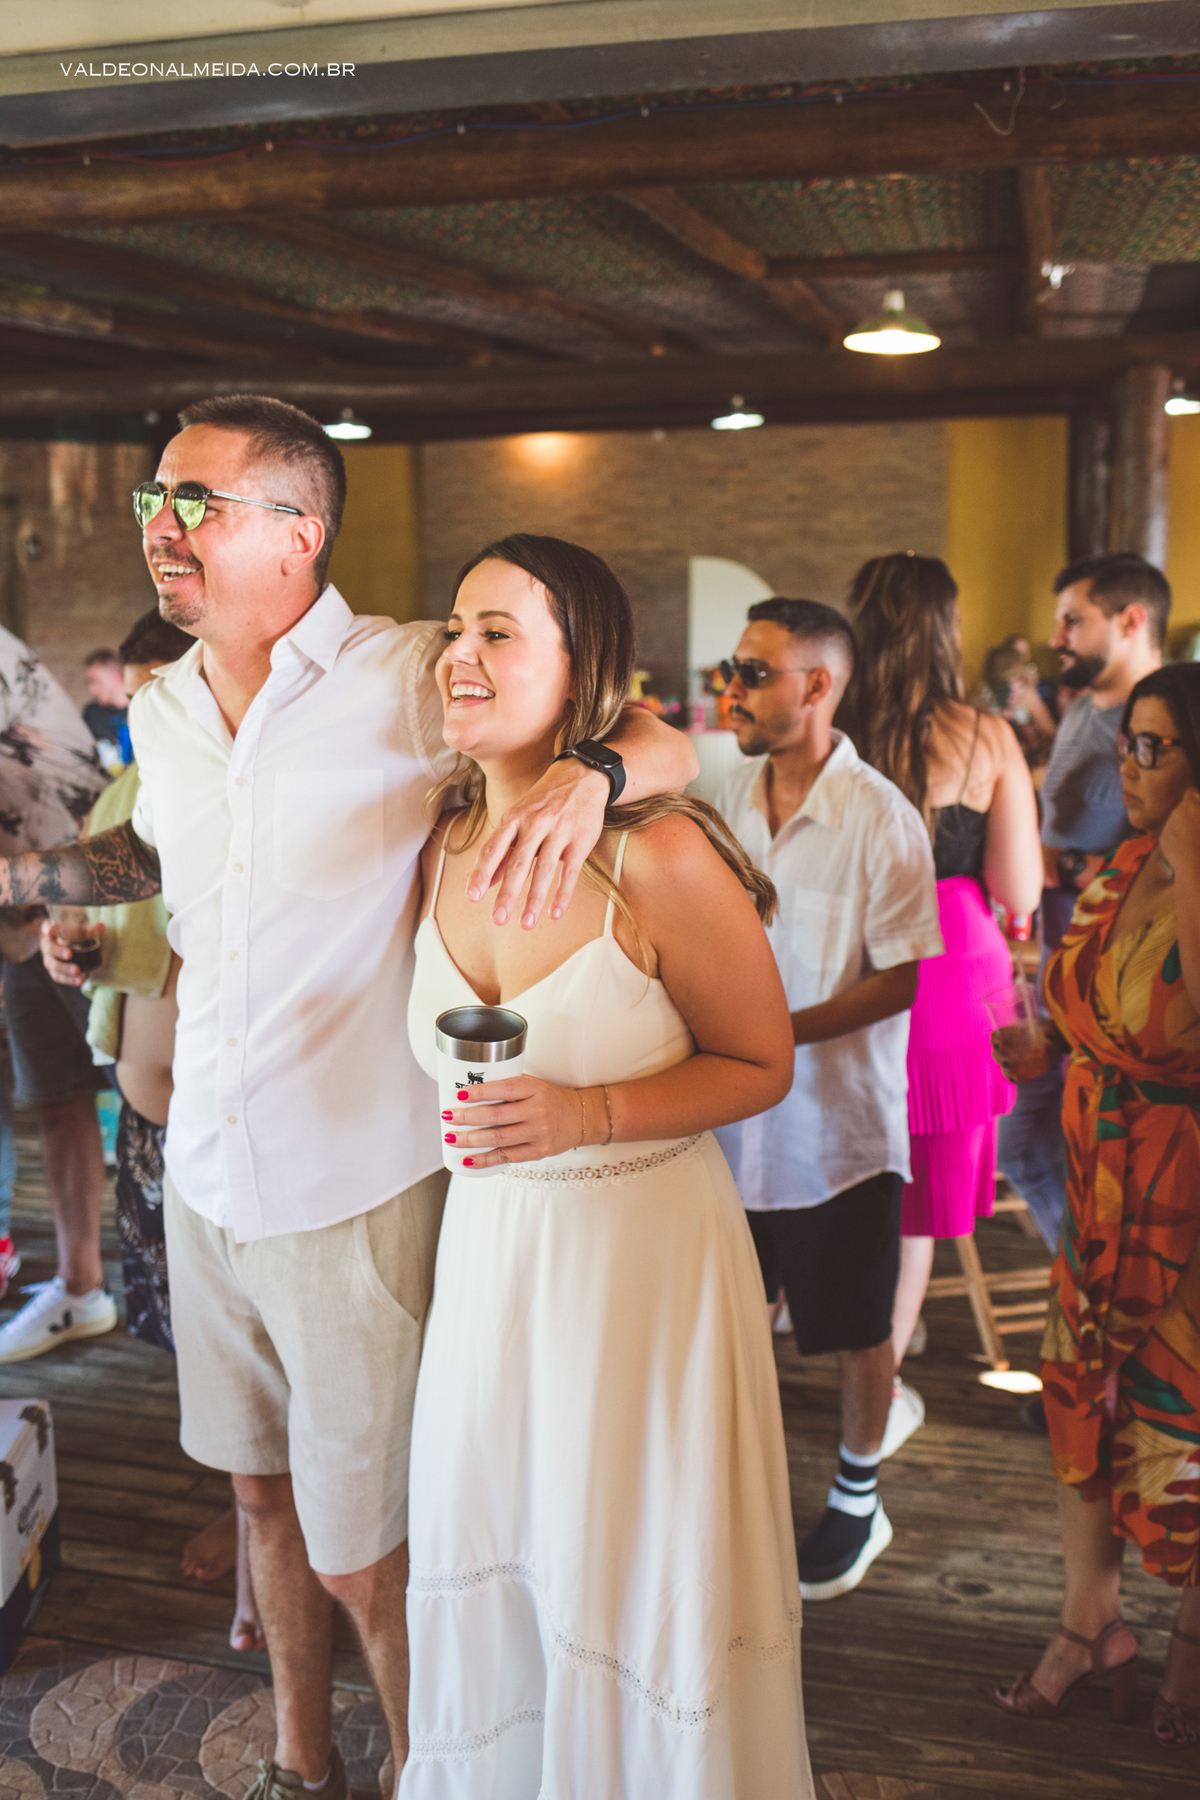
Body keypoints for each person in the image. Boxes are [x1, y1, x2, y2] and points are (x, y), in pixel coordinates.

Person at [0, 394, 697, 1797]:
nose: (160, 527)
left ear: (298, 533)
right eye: (153, 500)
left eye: (194, 501)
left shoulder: (406, 674)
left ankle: (437, 1776)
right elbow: (160, 863)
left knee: (369, 1545)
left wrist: (594, 779)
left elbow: (677, 744)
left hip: (356, 1180)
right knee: (258, 1497)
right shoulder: (169, 704)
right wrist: (50, 896)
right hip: (202, 1165)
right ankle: (308, 1761)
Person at [403, 535, 812, 1795]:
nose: (459, 656)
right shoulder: (442, 837)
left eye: (499, 632)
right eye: (453, 630)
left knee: (630, 1563)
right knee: (508, 1541)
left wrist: (588, 1115)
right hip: (491, 1257)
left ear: (584, 671)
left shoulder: (659, 854)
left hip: (642, 1257)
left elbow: (761, 1064)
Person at [713, 598, 944, 1601]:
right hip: (722, 1125)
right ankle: (731, 1490)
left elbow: (901, 976)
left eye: (754, 673)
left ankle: (859, 1497)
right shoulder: (720, 794)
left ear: (819, 685)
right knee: (724, 1314)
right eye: (732, 668)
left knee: (854, 1326)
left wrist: (775, 1038)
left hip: (833, 1126)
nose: (731, 690)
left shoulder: (879, 817)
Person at [45, 607, 265, 1654]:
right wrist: (66, 945)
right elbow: (102, 892)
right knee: (196, 1336)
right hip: (147, 1113)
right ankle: (244, 1499)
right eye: (134, 696)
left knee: (270, 1338)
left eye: (159, 692)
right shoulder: (142, 791)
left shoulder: (254, 789)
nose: (141, 715)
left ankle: (279, 1522)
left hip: (247, 1126)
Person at [992, 664, 1200, 1748]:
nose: (1125, 762)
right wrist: (1049, 1042)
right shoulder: (1120, 862)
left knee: (1186, 1417)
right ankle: (1090, 1627)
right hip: (1099, 1177)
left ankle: (1192, 1653)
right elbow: (1097, 1009)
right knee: (1082, 1391)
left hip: (1188, 1197)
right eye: (1128, 740)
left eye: (1152, 747)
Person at [838, 554, 1042, 1370]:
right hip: (953, 966)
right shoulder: (986, 735)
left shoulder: (828, 729)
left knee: (846, 1164)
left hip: (845, 963)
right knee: (921, 1197)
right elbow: (1018, 882)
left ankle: (819, 1316)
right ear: (947, 629)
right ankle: (881, 1380)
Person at [998, 554, 1169, 1260]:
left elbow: (1160, 849)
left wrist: (1056, 864)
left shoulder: (1159, 720)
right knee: (1029, 1147)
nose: (1056, 635)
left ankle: (1101, 1288)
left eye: (1073, 619)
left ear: (1130, 621)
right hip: (1062, 964)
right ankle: (1089, 1282)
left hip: (1126, 983)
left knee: (1073, 1150)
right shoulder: (1087, 707)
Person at [0, 623, 113, 1362]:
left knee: (149, 1093)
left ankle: (189, 1286)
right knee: (56, 1096)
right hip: (16, 917)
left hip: (92, 893)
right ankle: (81, 1290)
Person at [83, 648, 131, 769]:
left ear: (116, 676)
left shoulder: (142, 710)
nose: (92, 689)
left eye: (97, 681)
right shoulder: (92, 714)